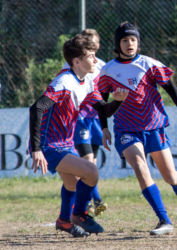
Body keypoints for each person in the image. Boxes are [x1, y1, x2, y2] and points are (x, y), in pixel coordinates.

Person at [98, 22, 177, 235]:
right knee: (140, 167)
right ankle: (164, 221)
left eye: (133, 40)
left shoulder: (149, 64)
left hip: (153, 127)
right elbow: (102, 102)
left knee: (170, 176)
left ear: (138, 42)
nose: (129, 44)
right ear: (118, 44)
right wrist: (104, 128)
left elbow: (171, 88)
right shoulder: (107, 70)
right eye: (124, 40)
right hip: (126, 130)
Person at [29, 34, 129, 237]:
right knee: (91, 172)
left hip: (63, 143)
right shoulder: (64, 82)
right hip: (49, 145)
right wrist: (37, 149)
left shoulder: (85, 82)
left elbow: (104, 110)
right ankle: (80, 214)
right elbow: (36, 108)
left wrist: (118, 100)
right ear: (77, 61)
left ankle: (64, 221)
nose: (95, 60)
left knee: (72, 183)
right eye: (91, 56)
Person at [60, 29, 107, 217]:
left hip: (94, 118)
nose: (91, 46)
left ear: (98, 45)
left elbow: (103, 97)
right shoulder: (70, 69)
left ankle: (86, 204)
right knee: (87, 164)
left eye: (93, 43)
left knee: (92, 164)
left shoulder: (102, 66)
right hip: (79, 119)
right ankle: (94, 202)